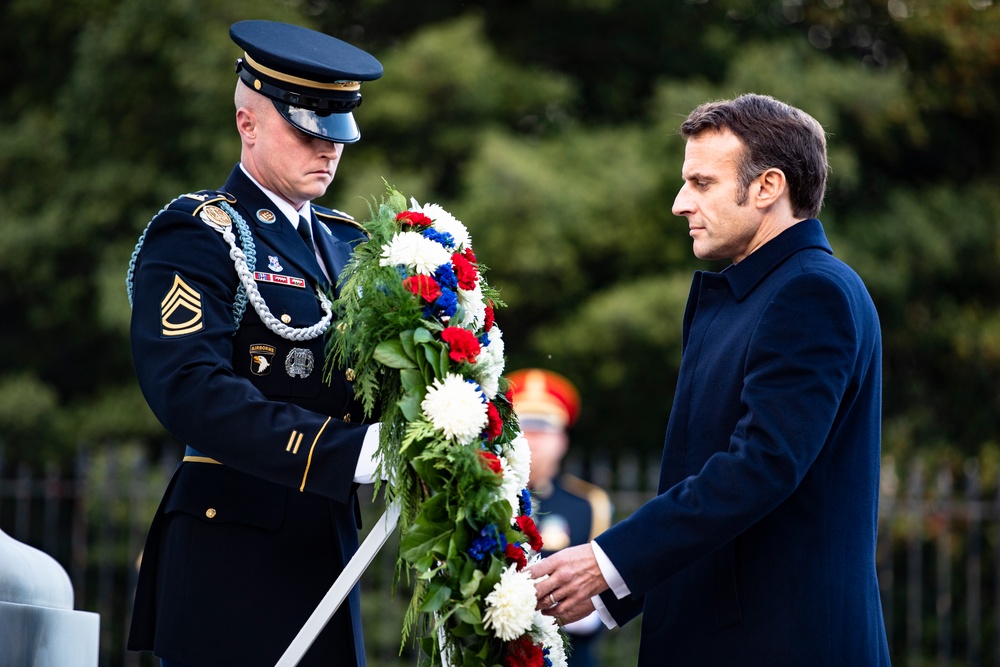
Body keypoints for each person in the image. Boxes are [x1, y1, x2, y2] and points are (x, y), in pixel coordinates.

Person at [528, 93, 890, 665]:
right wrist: (606, 596)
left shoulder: (810, 292)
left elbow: (761, 467)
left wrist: (606, 561)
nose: (679, 204)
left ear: (768, 187)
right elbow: (710, 490)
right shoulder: (752, 295)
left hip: (784, 643)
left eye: (701, 183)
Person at [125, 20, 384, 667]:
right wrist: (347, 450)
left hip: (326, 545)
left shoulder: (351, 244)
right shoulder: (199, 233)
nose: (327, 149)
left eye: (338, 133)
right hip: (229, 553)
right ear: (248, 124)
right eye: (307, 130)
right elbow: (189, 387)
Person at [507, 368, 612, 667]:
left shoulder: (588, 504)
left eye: (544, 429)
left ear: (563, 440)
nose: (534, 440)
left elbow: (596, 599)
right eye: (524, 427)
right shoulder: (484, 496)